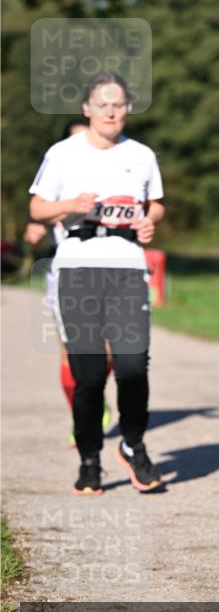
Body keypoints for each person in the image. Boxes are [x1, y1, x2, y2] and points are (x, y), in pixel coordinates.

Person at [29, 74, 165, 495]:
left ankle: (133, 443)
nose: (111, 111)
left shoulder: (141, 155)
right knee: (88, 378)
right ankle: (90, 459)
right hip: (77, 268)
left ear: (127, 109)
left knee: (131, 367)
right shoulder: (63, 154)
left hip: (127, 267)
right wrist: (72, 205)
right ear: (87, 109)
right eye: (102, 104)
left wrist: (148, 221)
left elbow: (155, 205)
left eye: (119, 104)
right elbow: (36, 207)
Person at [24, 117, 113, 446]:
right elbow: (35, 216)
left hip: (108, 268)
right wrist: (33, 229)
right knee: (70, 350)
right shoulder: (54, 178)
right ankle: (82, 415)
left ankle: (93, 396)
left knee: (106, 350)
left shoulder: (114, 176)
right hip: (64, 269)